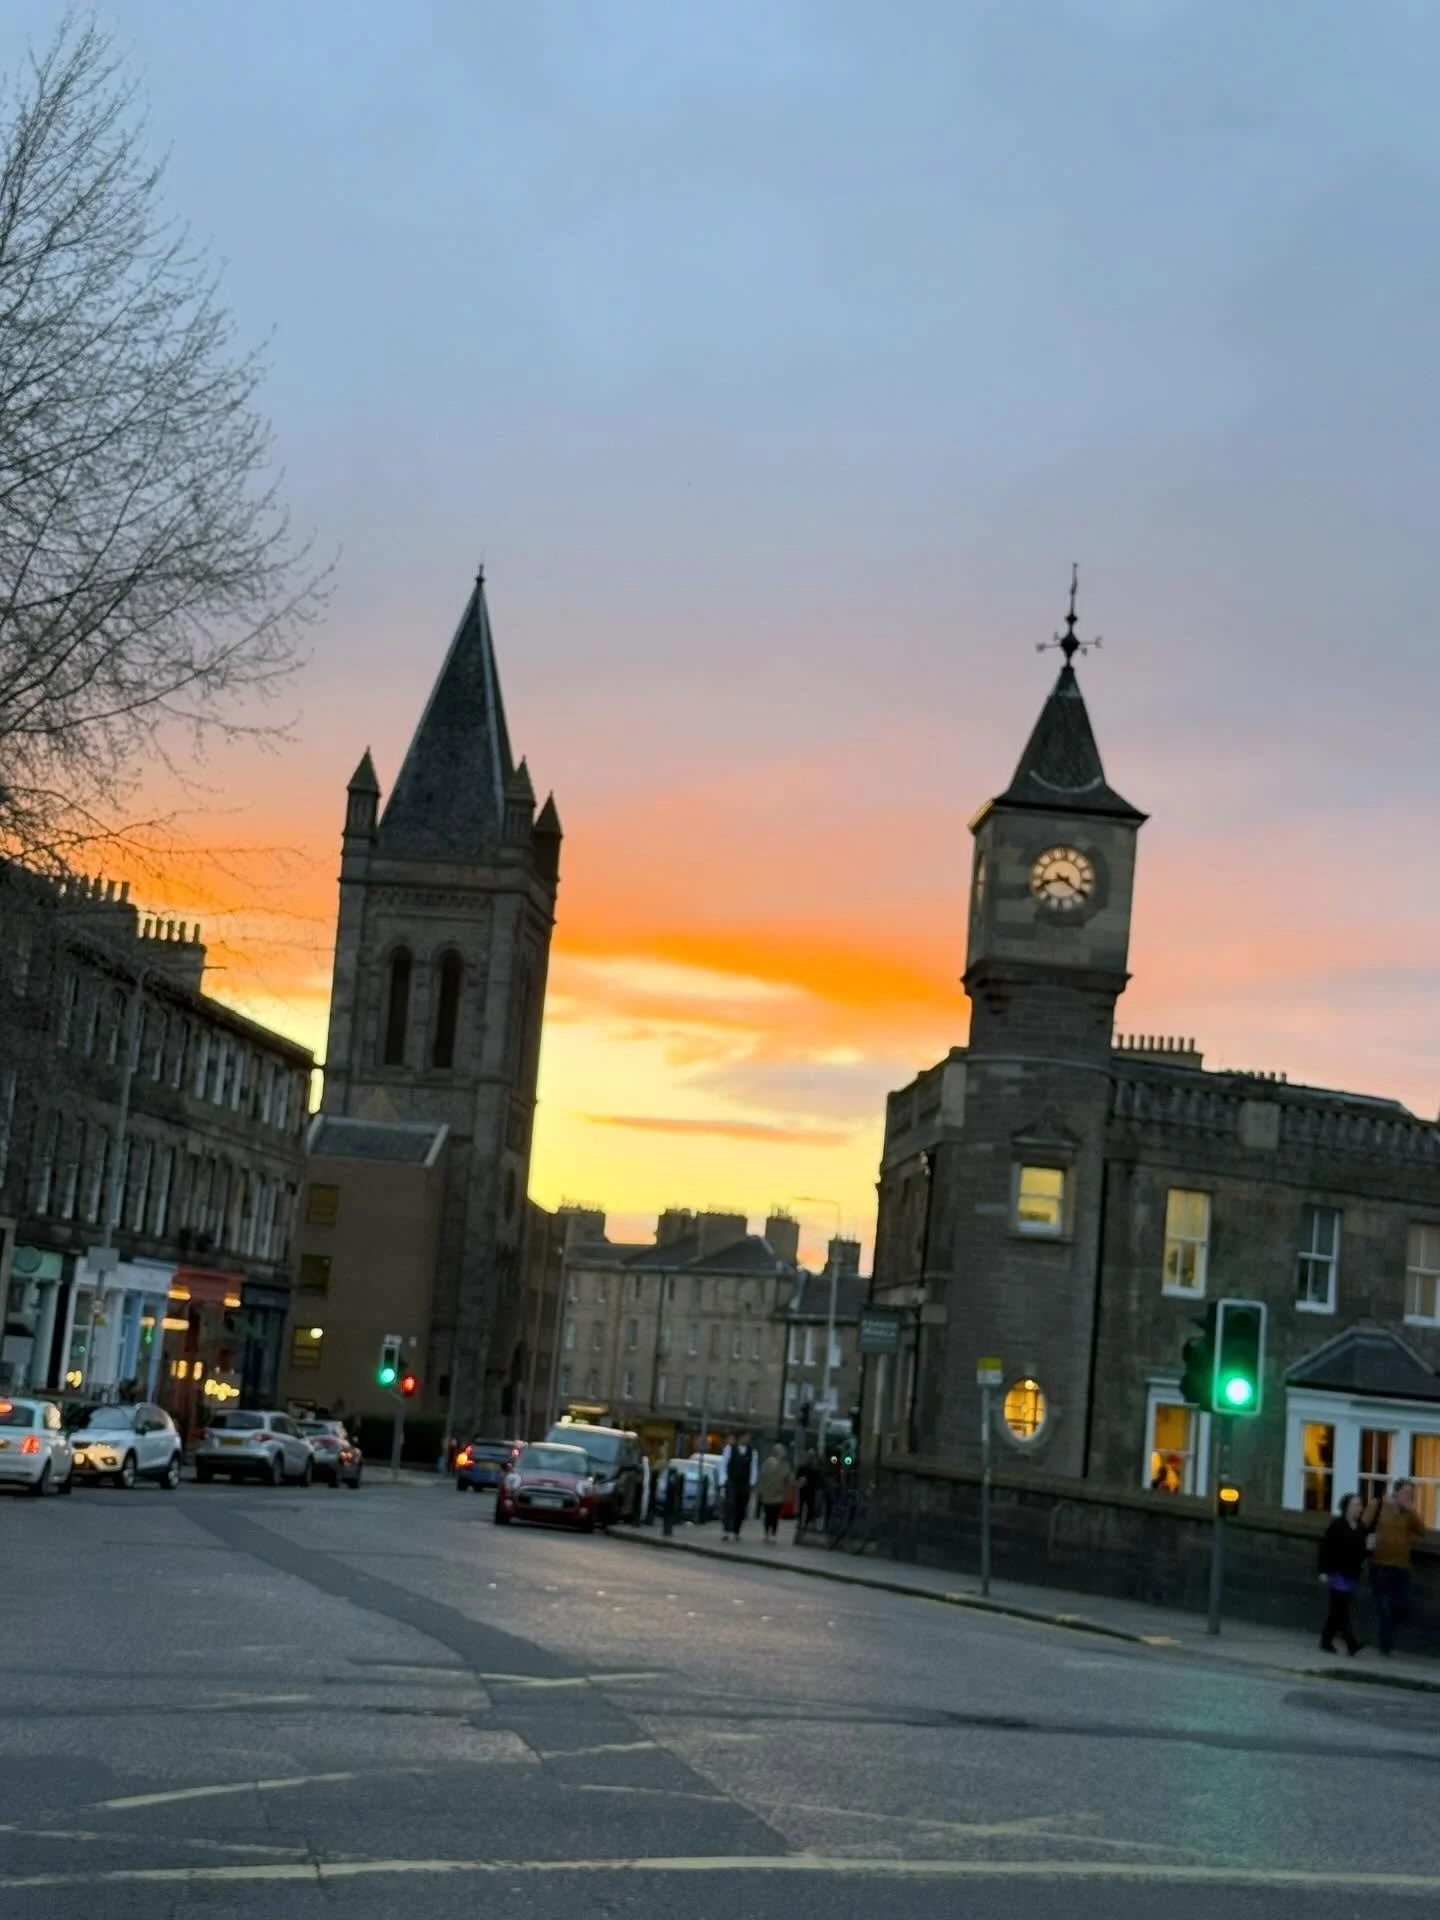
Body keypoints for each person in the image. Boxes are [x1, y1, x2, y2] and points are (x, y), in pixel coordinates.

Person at [1369, 1479, 1426, 1656]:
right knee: (1385, 1608)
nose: (1409, 1497)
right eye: (1406, 1493)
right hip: (1380, 1565)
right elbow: (1365, 1525)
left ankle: (1386, 1636)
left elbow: (1422, 1531)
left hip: (1401, 1567)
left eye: (1412, 1494)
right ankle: (1385, 1646)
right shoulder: (1380, 1507)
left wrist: (1412, 1511)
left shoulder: (1409, 1514)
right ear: (1396, 1493)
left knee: (1401, 1607)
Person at [1317, 1491, 1369, 1655]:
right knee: (1341, 1609)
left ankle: (1326, 1640)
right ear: (1346, 1507)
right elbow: (1325, 1549)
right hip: (1337, 1572)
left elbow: (1362, 1552)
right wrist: (1323, 1571)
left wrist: (1369, 1549)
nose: (1359, 1508)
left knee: (1336, 1611)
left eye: (1360, 1505)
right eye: (1355, 1505)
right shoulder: (1337, 1526)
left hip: (1352, 1574)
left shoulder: (1361, 1528)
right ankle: (1351, 1643)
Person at [719, 1432, 756, 1540]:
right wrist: (723, 1480)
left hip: (744, 1483)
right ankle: (726, 1530)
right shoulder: (730, 1449)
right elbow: (724, 1464)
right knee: (730, 1505)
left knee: (741, 1507)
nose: (747, 1439)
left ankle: (736, 1531)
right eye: (746, 1437)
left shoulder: (752, 1451)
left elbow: (753, 1467)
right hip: (732, 1481)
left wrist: (752, 1482)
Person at [756, 1444, 794, 1543]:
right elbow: (762, 1478)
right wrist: (761, 1491)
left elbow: (788, 1480)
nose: (784, 1453)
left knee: (775, 1515)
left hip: (779, 1494)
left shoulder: (785, 1465)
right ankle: (767, 1532)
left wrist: (787, 1494)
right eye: (782, 1451)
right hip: (768, 1493)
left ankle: (773, 1532)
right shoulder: (767, 1464)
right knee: (768, 1514)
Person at [795, 1450, 821, 1539]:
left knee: (809, 1506)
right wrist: (800, 1481)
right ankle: (801, 1522)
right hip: (804, 1490)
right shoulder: (803, 1467)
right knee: (803, 1506)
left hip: (810, 1490)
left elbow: (817, 1481)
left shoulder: (814, 1469)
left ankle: (806, 1523)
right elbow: (797, 1477)